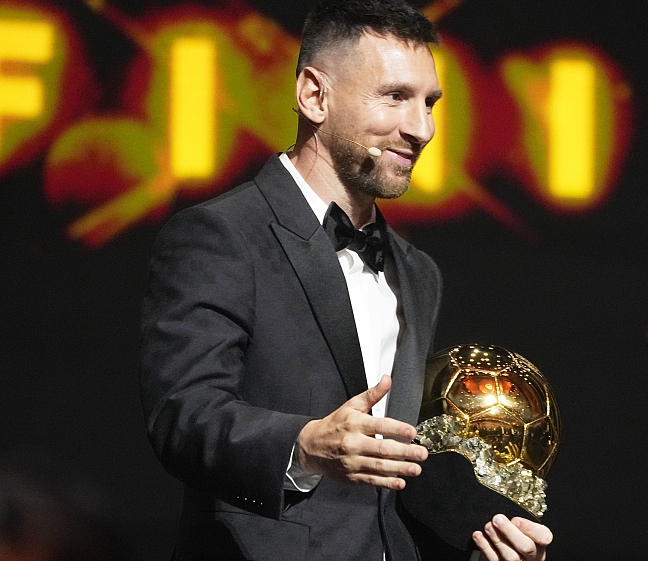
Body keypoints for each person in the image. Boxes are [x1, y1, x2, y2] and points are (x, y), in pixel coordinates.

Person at [140, 0, 552, 559]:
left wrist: (483, 533)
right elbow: (184, 416)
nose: (422, 128)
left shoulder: (417, 272)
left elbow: (397, 471)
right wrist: (305, 446)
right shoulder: (220, 235)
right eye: (395, 97)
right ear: (314, 95)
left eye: (429, 102)